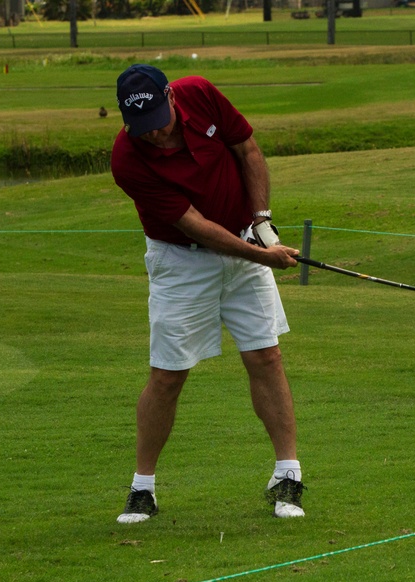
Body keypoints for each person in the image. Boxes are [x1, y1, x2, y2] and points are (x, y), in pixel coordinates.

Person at [110, 64, 305, 523]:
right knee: (168, 374)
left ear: (172, 99)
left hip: (245, 238)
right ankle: (143, 488)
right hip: (181, 262)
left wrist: (261, 220)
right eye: (142, 127)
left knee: (266, 356)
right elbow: (192, 224)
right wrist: (263, 256)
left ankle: (288, 476)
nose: (155, 134)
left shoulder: (199, 93)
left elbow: (248, 150)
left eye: (160, 119)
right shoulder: (127, 159)